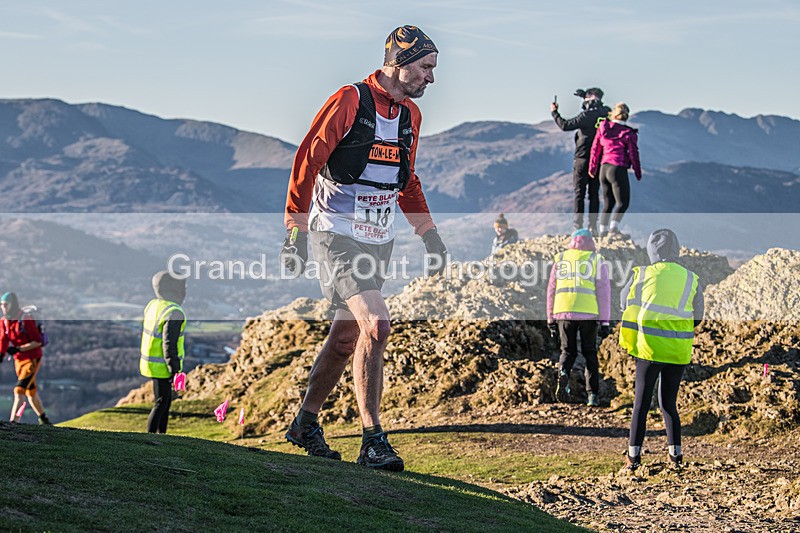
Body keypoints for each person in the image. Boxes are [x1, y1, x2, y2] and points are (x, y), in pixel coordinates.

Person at [280, 25, 447, 472]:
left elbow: (405, 179)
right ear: (399, 62)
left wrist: (428, 233)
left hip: (378, 237)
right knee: (378, 323)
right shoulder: (350, 100)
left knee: (345, 337)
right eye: (426, 67)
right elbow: (307, 161)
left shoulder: (411, 115)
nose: (431, 77)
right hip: (334, 232)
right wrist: (294, 230)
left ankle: (305, 423)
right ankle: (373, 439)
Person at [619, 229, 704, 469]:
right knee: (669, 404)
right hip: (678, 350)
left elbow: (623, 303)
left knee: (641, 405)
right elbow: (698, 317)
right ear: (676, 249)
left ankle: (633, 457)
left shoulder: (642, 274)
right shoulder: (691, 278)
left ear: (651, 250)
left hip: (648, 349)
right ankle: (675, 456)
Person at [546, 230, 611, 407]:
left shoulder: (561, 259)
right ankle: (592, 396)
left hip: (563, 312)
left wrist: (550, 319)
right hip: (588, 314)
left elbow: (551, 290)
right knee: (589, 353)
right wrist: (605, 321)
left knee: (567, 351)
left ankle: (564, 372)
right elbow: (604, 293)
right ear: (590, 242)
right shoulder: (596, 260)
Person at [551, 88, 611, 236]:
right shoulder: (606, 115)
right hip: (599, 160)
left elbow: (565, 125)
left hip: (583, 158)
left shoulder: (587, 115)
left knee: (579, 193)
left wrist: (554, 112)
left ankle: (578, 227)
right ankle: (593, 227)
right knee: (594, 194)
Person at [140, 271, 186, 434]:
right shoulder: (174, 312)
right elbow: (169, 344)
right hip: (163, 366)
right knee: (161, 403)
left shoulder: (154, 305)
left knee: (165, 402)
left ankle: (162, 436)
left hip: (151, 363)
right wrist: (175, 369)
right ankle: (152, 436)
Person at [588, 102, 642, 237]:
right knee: (623, 203)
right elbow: (633, 153)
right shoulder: (628, 133)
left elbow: (595, 149)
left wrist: (592, 167)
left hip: (604, 169)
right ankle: (613, 229)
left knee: (608, 202)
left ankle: (602, 231)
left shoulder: (603, 128)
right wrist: (637, 171)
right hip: (618, 168)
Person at [0, 292, 51, 424]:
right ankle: (44, 419)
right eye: (1, 305)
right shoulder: (4, 321)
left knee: (19, 389)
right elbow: (3, 340)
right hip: (19, 360)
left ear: (13, 304)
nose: (3, 307)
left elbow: (37, 341)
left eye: (6, 305)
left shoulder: (25, 319)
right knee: (31, 391)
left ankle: (13, 422)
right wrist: (2, 354)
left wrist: (18, 348)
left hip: (32, 359)